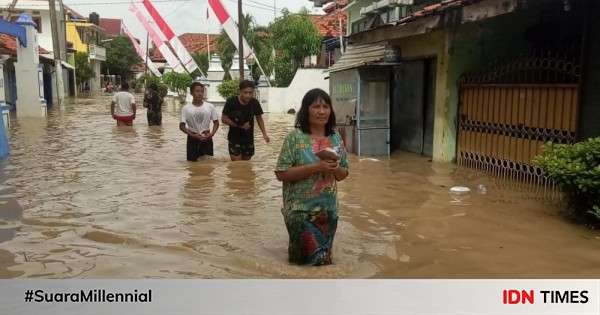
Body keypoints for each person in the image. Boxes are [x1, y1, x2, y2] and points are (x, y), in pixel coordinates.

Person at [275, 88, 349, 266]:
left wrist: (335, 167)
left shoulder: (336, 137)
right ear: (306, 110)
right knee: (304, 265)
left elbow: (344, 174)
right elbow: (281, 173)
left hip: (328, 212)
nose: (321, 111)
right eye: (316, 106)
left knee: (324, 262)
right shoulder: (294, 138)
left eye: (325, 106)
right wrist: (317, 166)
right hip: (300, 211)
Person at [221, 80, 270, 161]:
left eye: (250, 92)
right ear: (240, 91)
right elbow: (223, 119)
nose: (248, 95)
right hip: (234, 138)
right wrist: (239, 126)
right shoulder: (231, 101)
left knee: (246, 165)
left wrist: (264, 134)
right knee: (237, 165)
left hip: (248, 138)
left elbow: (259, 118)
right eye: (245, 92)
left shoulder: (255, 103)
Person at [179, 82, 220, 161]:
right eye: (197, 91)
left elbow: (216, 123)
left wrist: (212, 134)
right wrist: (193, 135)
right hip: (192, 138)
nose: (200, 94)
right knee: (192, 165)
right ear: (191, 93)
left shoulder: (210, 106)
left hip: (207, 137)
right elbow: (181, 126)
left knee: (208, 165)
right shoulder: (186, 108)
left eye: (202, 91)